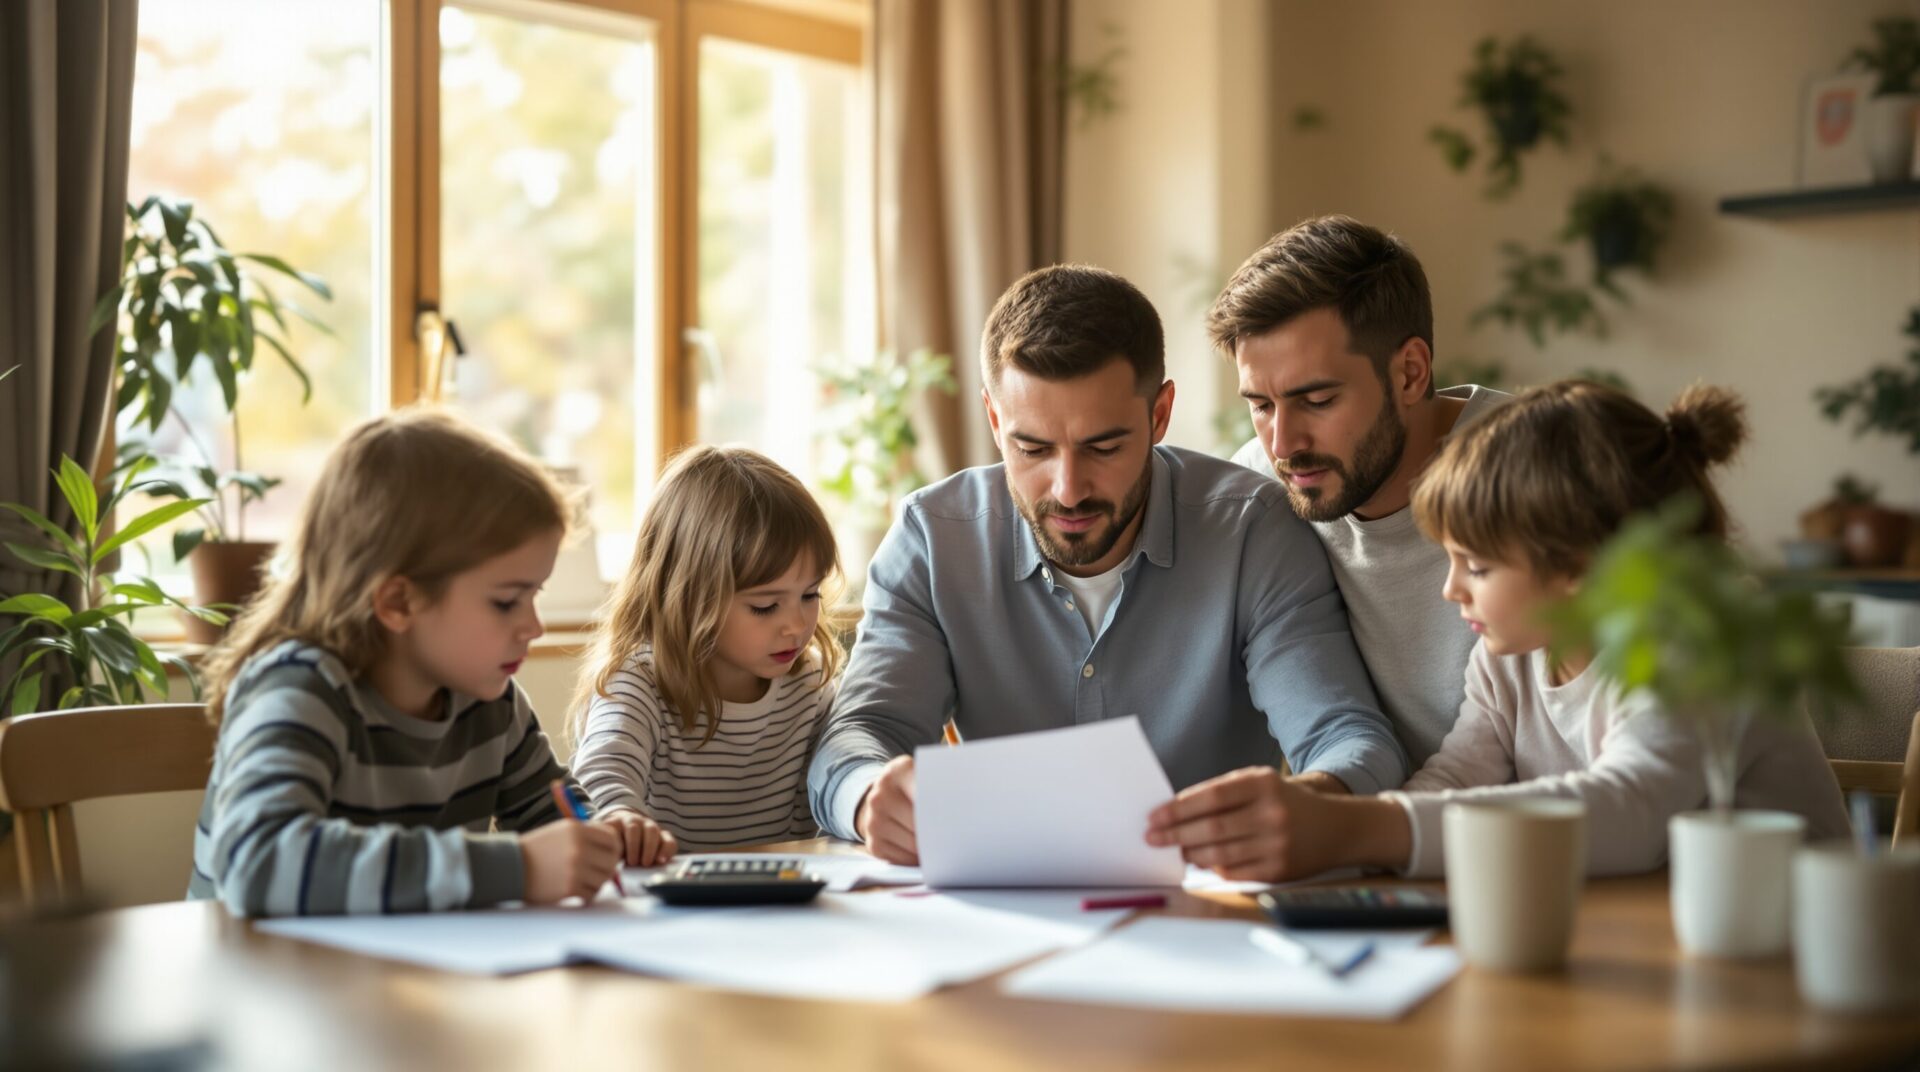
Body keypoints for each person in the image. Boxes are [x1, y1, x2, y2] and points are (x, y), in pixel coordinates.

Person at [809, 263, 1406, 868]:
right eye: (1033, 448)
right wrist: (868, 798)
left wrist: (1314, 804)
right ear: (994, 418)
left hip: (1205, 915)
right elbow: (854, 740)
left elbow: (1349, 739)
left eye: (1104, 446)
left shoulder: (1252, 532)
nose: (1068, 490)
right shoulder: (933, 540)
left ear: (1159, 414)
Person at [1148, 382, 1849, 880]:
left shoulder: (1689, 642)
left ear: (1574, 563)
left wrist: (1360, 829)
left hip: (1787, 965)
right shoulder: (1508, 655)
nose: (1451, 588)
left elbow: (1631, 807)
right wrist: (1330, 838)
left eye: (1476, 565)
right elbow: (1457, 775)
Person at [190, 408, 662, 917]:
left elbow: (553, 813)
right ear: (398, 602)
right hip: (258, 979)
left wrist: (602, 831)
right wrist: (518, 868)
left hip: (398, 973)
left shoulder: (489, 700)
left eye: (535, 595)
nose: (533, 626)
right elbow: (258, 863)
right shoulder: (298, 689)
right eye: (507, 601)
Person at [1209, 215, 1509, 769]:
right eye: (1259, 405)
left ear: (1410, 373)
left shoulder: (1539, 471)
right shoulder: (1260, 489)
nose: (1283, 443)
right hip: (1378, 834)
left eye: (1317, 400)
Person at [571, 446, 844, 852]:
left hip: (788, 901)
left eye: (809, 595)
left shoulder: (810, 684)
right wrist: (619, 817)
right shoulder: (640, 683)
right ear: (688, 595)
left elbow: (843, 776)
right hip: (668, 903)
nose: (798, 625)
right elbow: (602, 774)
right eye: (765, 606)